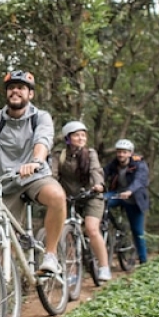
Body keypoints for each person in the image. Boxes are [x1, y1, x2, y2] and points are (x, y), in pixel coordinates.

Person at [0, 70, 66, 275]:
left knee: (57, 196)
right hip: (7, 182)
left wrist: (35, 161)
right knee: (3, 237)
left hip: (35, 176)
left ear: (30, 94)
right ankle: (2, 285)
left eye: (21, 87)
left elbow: (43, 140)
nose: (15, 91)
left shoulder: (40, 117)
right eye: (11, 87)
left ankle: (50, 255)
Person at [50, 121, 112, 282]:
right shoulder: (59, 155)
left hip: (92, 196)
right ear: (68, 138)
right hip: (70, 198)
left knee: (91, 229)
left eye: (83, 135)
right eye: (77, 135)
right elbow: (53, 175)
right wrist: (55, 190)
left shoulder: (90, 153)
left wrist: (98, 185)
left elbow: (96, 170)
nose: (81, 138)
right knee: (67, 233)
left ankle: (104, 267)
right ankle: (72, 272)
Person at [103, 139, 150, 265]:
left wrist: (130, 191)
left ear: (130, 153)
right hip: (117, 194)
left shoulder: (139, 164)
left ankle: (144, 260)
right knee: (100, 201)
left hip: (134, 199)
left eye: (124, 152)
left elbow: (140, 180)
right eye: (119, 152)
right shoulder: (114, 164)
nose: (121, 155)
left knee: (137, 231)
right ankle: (107, 227)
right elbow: (103, 173)